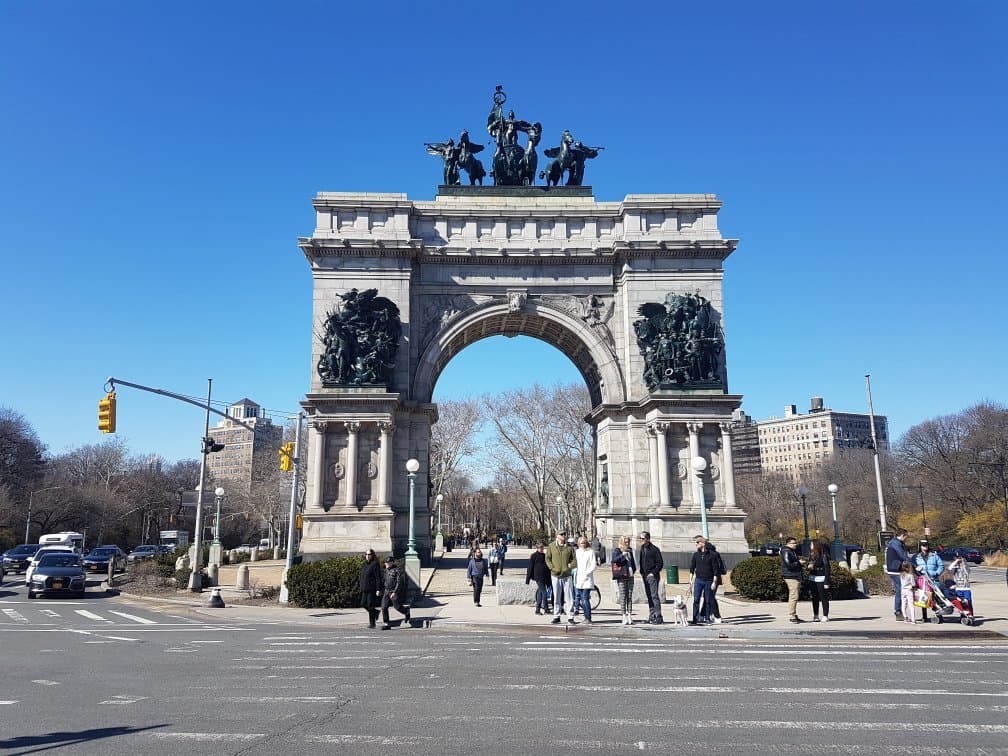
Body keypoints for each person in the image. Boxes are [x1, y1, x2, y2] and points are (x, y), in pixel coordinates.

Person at [546, 530, 577, 624]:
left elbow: (575, 560)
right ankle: (556, 616)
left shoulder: (570, 548)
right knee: (556, 596)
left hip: (567, 575)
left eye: (565, 534)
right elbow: (547, 558)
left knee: (569, 597)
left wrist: (570, 566)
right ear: (557, 536)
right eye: (561, 534)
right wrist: (552, 568)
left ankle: (570, 616)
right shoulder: (551, 546)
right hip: (555, 575)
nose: (564, 536)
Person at [690, 535, 721, 625]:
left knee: (707, 600)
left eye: (697, 542)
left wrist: (714, 582)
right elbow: (692, 568)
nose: (696, 544)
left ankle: (707, 618)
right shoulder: (695, 555)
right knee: (696, 599)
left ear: (703, 543)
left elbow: (715, 570)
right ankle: (695, 618)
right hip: (698, 580)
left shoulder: (712, 555)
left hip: (708, 580)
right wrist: (690, 580)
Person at [912, 539, 943, 622]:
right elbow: (913, 567)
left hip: (934, 579)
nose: (925, 547)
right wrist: (918, 573)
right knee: (923, 597)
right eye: (923, 545)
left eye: (926, 545)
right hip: (922, 580)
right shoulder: (916, 557)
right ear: (920, 546)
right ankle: (924, 616)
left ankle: (938, 614)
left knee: (936, 597)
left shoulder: (934, 555)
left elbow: (941, 565)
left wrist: (936, 573)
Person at [638, 531, 664, 624]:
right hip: (644, 575)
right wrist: (641, 572)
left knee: (654, 596)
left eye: (642, 538)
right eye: (640, 538)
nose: (640, 540)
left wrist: (653, 573)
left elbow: (660, 563)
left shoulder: (654, 549)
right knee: (649, 596)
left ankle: (658, 616)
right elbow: (641, 561)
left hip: (652, 576)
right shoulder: (642, 548)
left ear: (648, 539)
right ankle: (652, 615)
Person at [885, 530, 911, 620]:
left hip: (894, 568)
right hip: (895, 569)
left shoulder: (895, 542)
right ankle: (898, 611)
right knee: (900, 590)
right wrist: (912, 563)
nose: (906, 538)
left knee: (900, 590)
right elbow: (902, 555)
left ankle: (899, 610)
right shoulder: (896, 543)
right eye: (906, 536)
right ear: (902, 535)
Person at [380, 556, 411, 630]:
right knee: (384, 607)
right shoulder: (386, 571)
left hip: (393, 591)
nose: (386, 564)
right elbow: (383, 580)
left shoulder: (396, 571)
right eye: (385, 562)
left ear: (391, 563)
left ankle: (406, 612)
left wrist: (395, 592)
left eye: (388, 563)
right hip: (386, 591)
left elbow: (399, 582)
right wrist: (380, 589)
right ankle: (386, 623)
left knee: (397, 607)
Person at [612, 535, 637, 625]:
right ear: (622, 542)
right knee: (623, 596)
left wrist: (633, 570)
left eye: (628, 542)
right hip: (622, 576)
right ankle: (623, 616)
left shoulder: (630, 550)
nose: (627, 544)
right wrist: (622, 555)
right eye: (626, 542)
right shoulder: (617, 550)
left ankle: (630, 615)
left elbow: (633, 562)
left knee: (629, 596)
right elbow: (614, 560)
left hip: (630, 576)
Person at [700, 541, 726, 624]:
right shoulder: (715, 554)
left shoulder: (713, 555)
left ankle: (717, 616)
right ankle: (703, 614)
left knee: (710, 597)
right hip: (711, 578)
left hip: (713, 579)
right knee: (706, 596)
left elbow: (716, 568)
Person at [780, 536, 804, 624]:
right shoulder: (786, 551)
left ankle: (794, 615)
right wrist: (798, 562)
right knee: (794, 596)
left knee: (795, 595)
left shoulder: (791, 551)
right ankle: (792, 615)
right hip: (790, 576)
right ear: (788, 543)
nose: (795, 544)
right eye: (793, 543)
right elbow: (788, 564)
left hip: (794, 575)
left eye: (795, 543)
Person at [806, 540, 831, 622]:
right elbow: (808, 565)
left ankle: (825, 615)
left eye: (811, 544)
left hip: (821, 577)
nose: (810, 546)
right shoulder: (811, 554)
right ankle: (816, 615)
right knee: (814, 598)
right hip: (812, 577)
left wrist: (826, 582)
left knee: (823, 597)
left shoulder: (823, 555)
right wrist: (809, 566)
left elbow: (827, 568)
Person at [574, 537, 597, 625]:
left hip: (587, 579)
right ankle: (585, 617)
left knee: (585, 598)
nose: (582, 544)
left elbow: (593, 565)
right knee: (580, 598)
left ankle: (588, 617)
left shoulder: (590, 552)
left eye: (584, 543)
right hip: (579, 578)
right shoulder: (577, 552)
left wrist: (587, 573)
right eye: (581, 543)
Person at [525, 542, 551, 615]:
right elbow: (530, 568)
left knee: (540, 593)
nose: (541, 549)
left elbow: (547, 568)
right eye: (540, 548)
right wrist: (528, 579)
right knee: (544, 593)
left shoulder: (545, 556)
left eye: (542, 547)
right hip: (538, 577)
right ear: (537, 548)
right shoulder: (534, 556)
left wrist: (549, 579)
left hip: (545, 577)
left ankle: (537, 610)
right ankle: (546, 609)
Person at [359, 548, 382, 629]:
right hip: (364, 588)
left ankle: (372, 623)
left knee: (370, 605)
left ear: (372, 555)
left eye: (369, 554)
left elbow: (378, 577)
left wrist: (378, 589)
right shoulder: (365, 564)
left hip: (371, 589)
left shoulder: (375, 564)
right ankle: (376, 612)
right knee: (363, 604)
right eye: (366, 554)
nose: (367, 556)